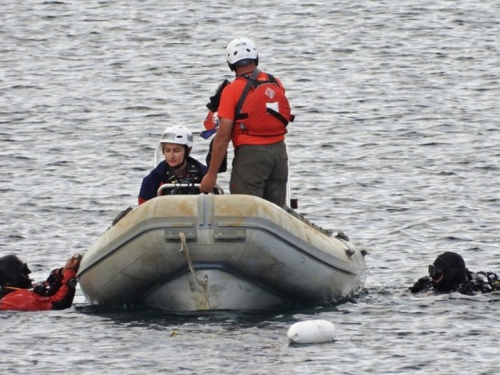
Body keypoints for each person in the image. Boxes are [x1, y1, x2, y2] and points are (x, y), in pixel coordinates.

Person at [199, 37, 294, 207]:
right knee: (275, 210)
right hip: (279, 154)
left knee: (246, 210)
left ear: (231, 63)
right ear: (255, 58)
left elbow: (222, 137)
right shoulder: (275, 82)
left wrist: (212, 174)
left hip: (251, 157)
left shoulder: (232, 90)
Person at [138, 125, 208, 205]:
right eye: (167, 151)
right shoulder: (153, 179)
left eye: (176, 151)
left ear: (188, 150)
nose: (171, 156)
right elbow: (143, 208)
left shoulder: (204, 174)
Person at [0, 253, 81, 311]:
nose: (29, 272)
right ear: (12, 274)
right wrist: (70, 274)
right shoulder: (18, 298)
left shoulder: (12, 295)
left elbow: (46, 286)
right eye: (24, 270)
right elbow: (60, 304)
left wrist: (60, 273)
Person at [409, 251, 500, 296]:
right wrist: (417, 290)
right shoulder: (437, 284)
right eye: (431, 270)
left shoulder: (468, 293)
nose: (432, 277)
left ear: (449, 275)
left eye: (436, 273)